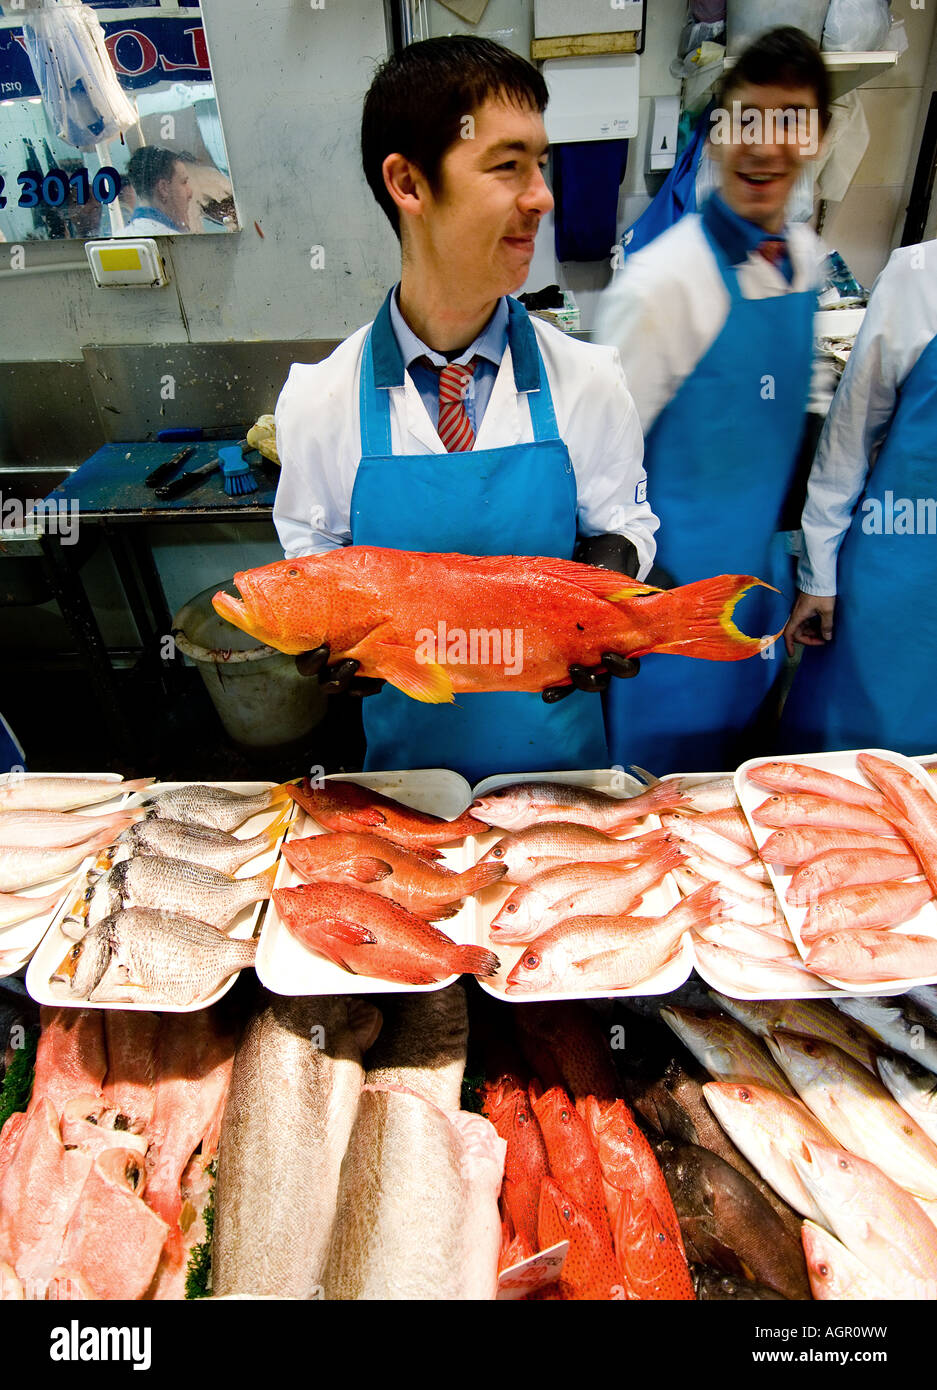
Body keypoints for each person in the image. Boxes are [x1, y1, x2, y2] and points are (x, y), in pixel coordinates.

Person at [273, 36, 658, 784]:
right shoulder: (319, 401)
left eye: (540, 164)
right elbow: (310, 556)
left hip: (559, 781)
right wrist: (323, 644)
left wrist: (610, 579)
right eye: (508, 165)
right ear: (408, 184)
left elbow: (626, 526)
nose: (542, 194)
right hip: (402, 791)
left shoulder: (587, 379)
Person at [594, 26, 833, 774]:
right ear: (716, 134)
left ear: (817, 134)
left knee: (738, 794)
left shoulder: (802, 263)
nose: (764, 145)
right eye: (745, 119)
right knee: (650, 819)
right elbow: (603, 465)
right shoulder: (661, 281)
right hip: (668, 616)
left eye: (789, 118)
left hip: (755, 595)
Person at [780, 241, 937, 756]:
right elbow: (849, 434)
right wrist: (819, 574)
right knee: (846, 771)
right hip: (898, 580)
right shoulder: (920, 274)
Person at [119, 147, 193, 235]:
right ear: (164, 188)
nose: (190, 192)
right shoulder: (177, 243)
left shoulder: (118, 238)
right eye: (184, 182)